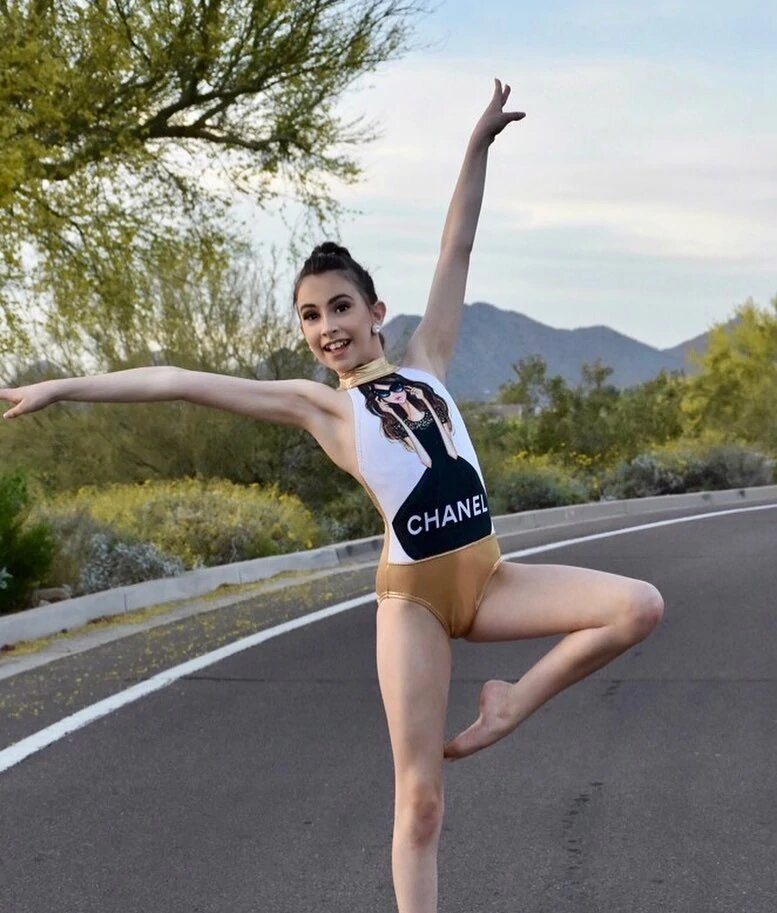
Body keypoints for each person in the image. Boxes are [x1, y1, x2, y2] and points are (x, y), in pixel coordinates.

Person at [1, 79, 664, 913]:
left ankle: (509, 704)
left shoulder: (427, 360)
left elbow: (456, 247)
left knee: (637, 605)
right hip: (414, 602)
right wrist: (62, 386)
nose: (327, 327)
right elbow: (178, 380)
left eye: (340, 306)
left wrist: (475, 147)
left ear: (375, 310)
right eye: (311, 316)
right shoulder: (320, 406)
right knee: (419, 801)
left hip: (491, 577)